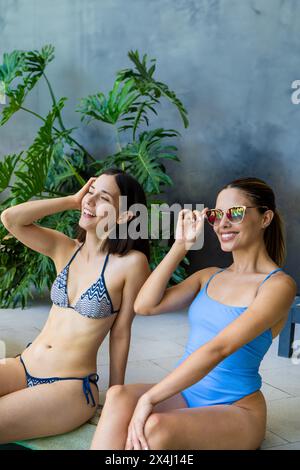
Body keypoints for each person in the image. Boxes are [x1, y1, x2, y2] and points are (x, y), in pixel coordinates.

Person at [90, 177, 297, 450]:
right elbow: (144, 305)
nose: (222, 223)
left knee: (153, 428)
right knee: (117, 395)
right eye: (215, 215)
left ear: (265, 218)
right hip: (188, 393)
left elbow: (219, 348)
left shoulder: (278, 286)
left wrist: (150, 398)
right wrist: (181, 245)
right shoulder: (209, 276)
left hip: (237, 409)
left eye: (235, 213)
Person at [0, 168, 150, 444]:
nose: (89, 202)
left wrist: (116, 396)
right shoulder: (64, 248)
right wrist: (71, 200)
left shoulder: (131, 264)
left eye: (103, 197)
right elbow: (11, 219)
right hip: (23, 366)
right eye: (89, 193)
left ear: (125, 215)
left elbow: (121, 332)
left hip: (69, 387)